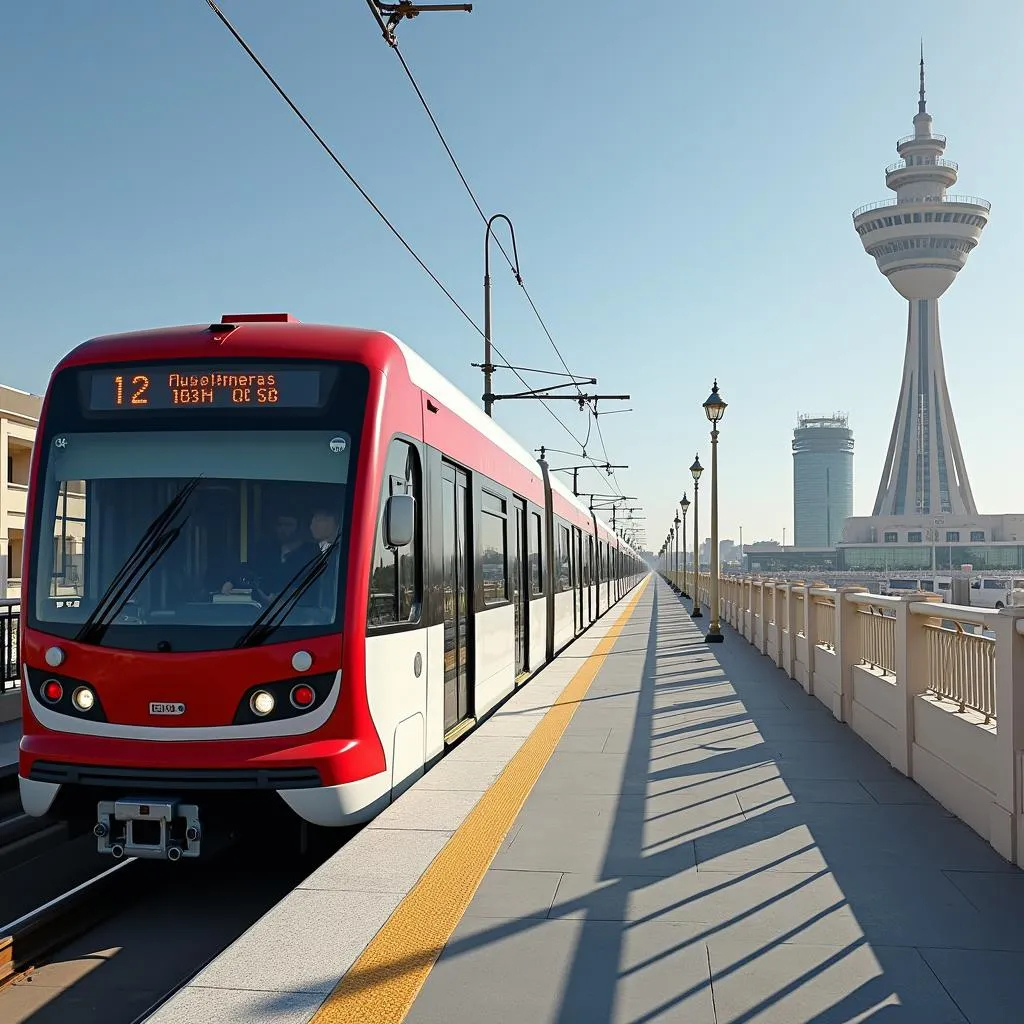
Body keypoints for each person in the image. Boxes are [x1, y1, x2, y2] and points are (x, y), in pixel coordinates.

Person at [221, 512, 318, 602]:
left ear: (299, 527)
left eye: (288, 525)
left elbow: (315, 584)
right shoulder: (264, 550)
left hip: (301, 612)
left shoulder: (312, 552)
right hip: (262, 610)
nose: (283, 529)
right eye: (280, 524)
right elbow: (248, 570)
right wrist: (231, 581)